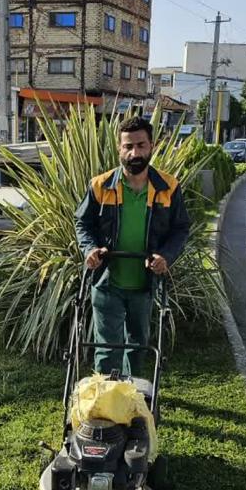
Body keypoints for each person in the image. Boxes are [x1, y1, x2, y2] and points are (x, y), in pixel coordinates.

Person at [74, 116, 191, 377]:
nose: (134, 153)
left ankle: (130, 395)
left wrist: (165, 256)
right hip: (107, 281)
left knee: (138, 345)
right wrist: (89, 249)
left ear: (152, 146)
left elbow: (180, 228)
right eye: (128, 146)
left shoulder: (168, 188)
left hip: (144, 283)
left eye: (140, 145)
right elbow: (83, 223)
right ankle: (105, 401)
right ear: (119, 148)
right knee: (107, 347)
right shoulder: (100, 186)